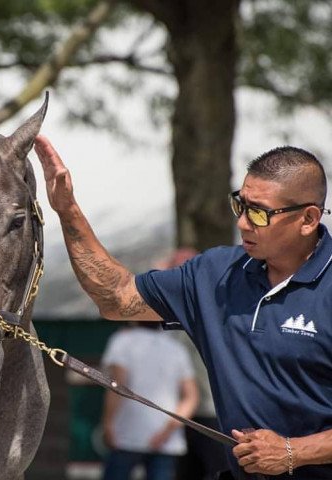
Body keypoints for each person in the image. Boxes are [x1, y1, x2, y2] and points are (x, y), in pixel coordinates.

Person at [34, 136, 332, 480]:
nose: (243, 223)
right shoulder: (214, 273)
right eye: (241, 205)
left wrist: (294, 452)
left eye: (259, 213)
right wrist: (68, 210)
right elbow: (116, 297)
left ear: (308, 219)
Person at [154, 249, 229, 480]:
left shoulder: (211, 307)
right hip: (181, 413)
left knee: (214, 471)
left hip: (211, 411)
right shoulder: (179, 307)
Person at [101, 321, 198, 480]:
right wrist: (167, 430)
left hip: (125, 434)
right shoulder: (176, 348)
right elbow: (191, 397)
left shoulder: (122, 341)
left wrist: (108, 423)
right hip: (166, 441)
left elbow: (117, 387)